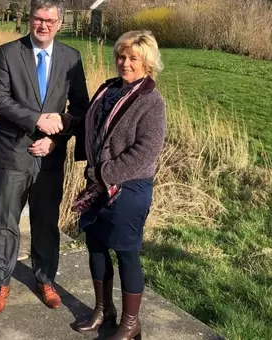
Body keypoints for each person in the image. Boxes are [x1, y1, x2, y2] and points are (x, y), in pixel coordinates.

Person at [0, 0, 89, 314]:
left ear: (59, 23)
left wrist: (55, 140)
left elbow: (82, 108)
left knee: (46, 223)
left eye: (50, 20)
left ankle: (45, 280)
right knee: (5, 222)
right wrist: (36, 119)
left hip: (50, 158)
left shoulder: (71, 59)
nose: (43, 25)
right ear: (29, 19)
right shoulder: (8, 53)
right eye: (37, 19)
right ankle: (0, 282)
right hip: (12, 154)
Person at [71, 30, 166, 340]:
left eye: (133, 58)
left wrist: (106, 172)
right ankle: (102, 310)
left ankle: (130, 323)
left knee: (126, 252)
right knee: (96, 246)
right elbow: (91, 123)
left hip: (130, 187)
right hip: (99, 184)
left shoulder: (151, 100)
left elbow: (146, 150)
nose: (124, 63)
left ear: (147, 63)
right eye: (121, 57)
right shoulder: (108, 89)